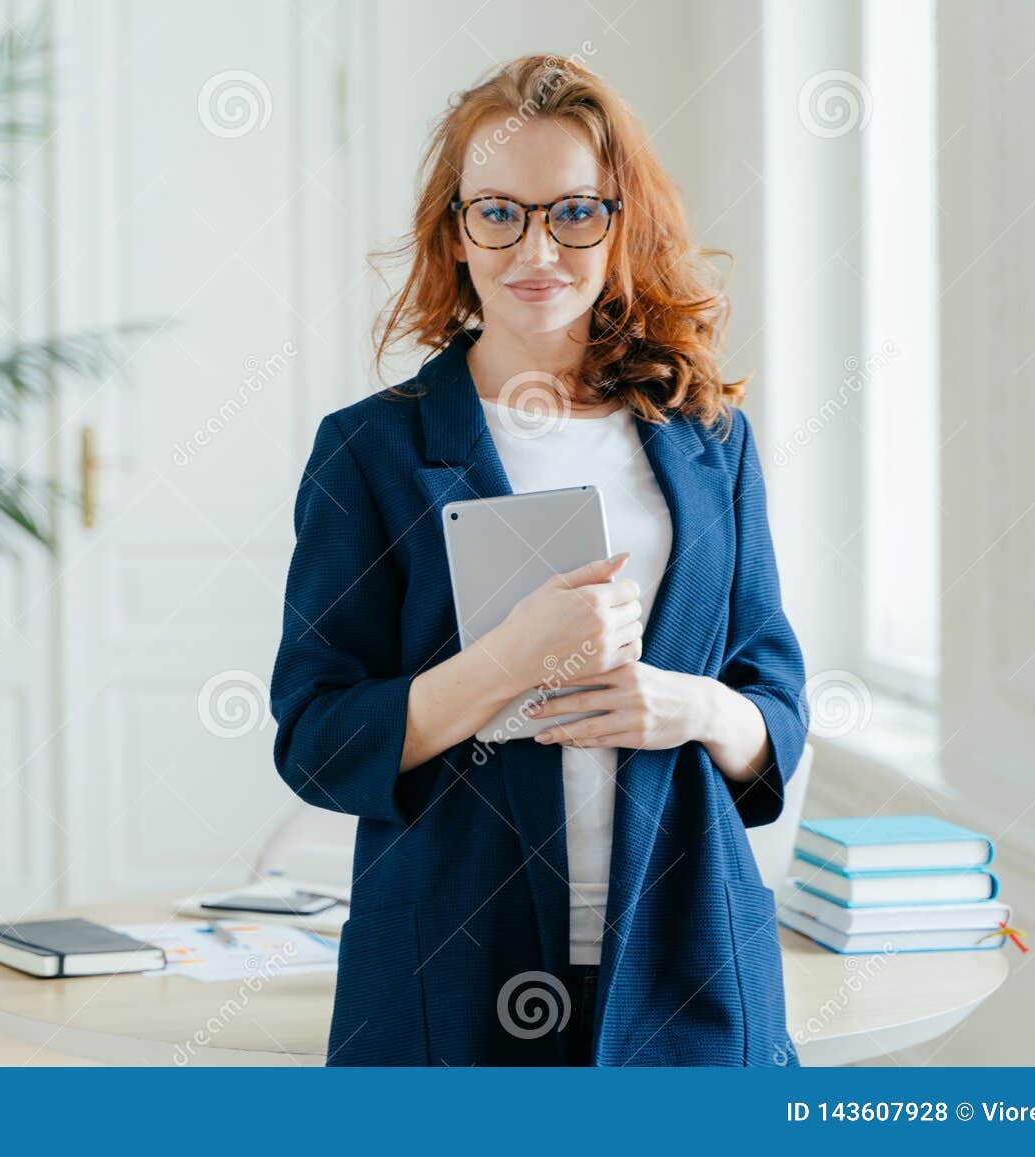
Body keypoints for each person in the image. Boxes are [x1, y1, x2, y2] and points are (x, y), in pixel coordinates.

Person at [270, 54, 808, 1066]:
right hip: (452, 957)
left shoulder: (709, 440)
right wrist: (505, 662)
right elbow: (315, 736)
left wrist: (688, 707)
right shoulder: (370, 453)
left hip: (683, 948)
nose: (537, 248)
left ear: (618, 223)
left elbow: (773, 704)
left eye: (572, 212)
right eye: (499, 213)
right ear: (456, 231)